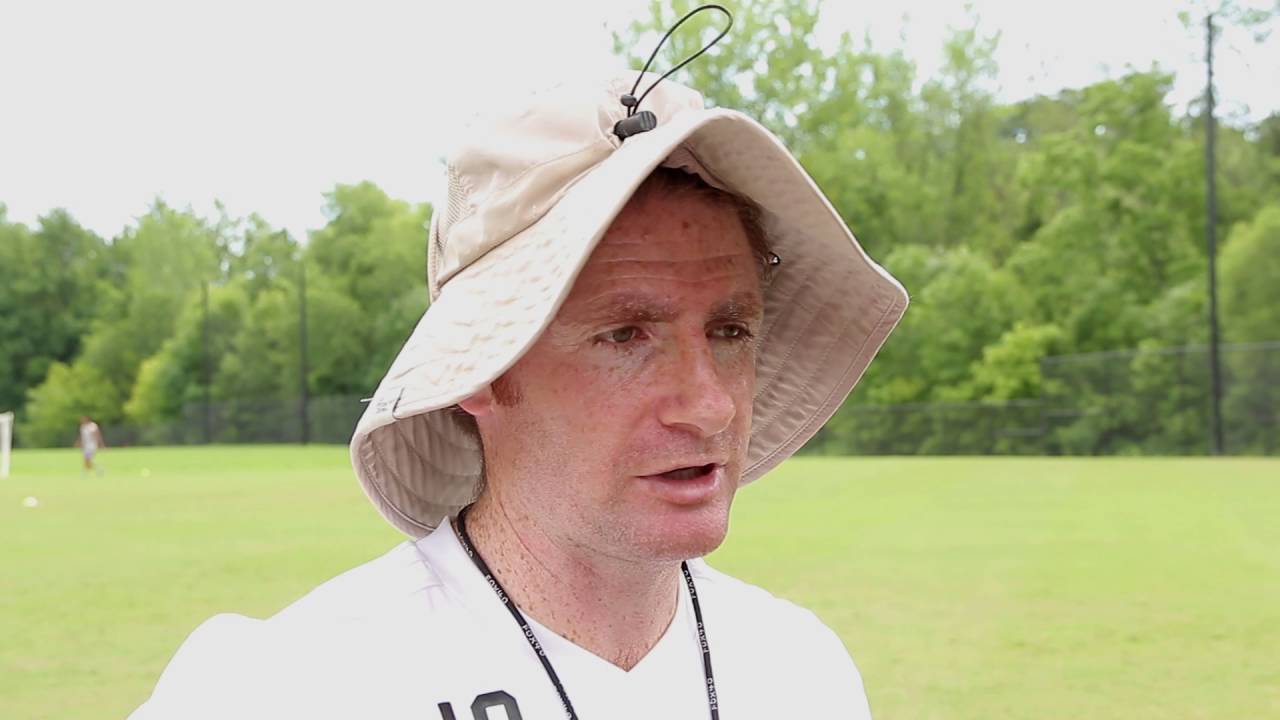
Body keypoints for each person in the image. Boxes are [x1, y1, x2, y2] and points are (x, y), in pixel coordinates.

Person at [131, 12, 908, 719]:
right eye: (626, 336)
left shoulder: (800, 671)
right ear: (479, 370)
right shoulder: (288, 688)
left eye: (731, 329)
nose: (709, 407)